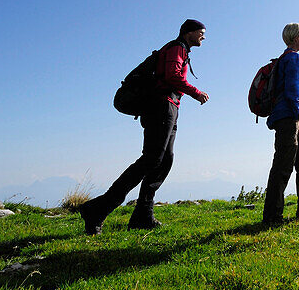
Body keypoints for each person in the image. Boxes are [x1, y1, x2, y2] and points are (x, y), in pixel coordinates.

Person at [80, 19, 210, 234]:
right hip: (161, 106)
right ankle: (98, 208)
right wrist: (196, 92)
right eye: (201, 33)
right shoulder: (177, 47)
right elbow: (172, 76)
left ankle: (143, 215)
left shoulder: (181, 49)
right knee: (152, 159)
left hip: (169, 107)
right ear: (189, 33)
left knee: (164, 159)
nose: (203, 37)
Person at [262, 23, 299, 225]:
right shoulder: (293, 59)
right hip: (288, 119)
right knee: (282, 167)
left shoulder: (283, 59)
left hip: (284, 117)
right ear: (296, 38)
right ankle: (272, 217)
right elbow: (293, 91)